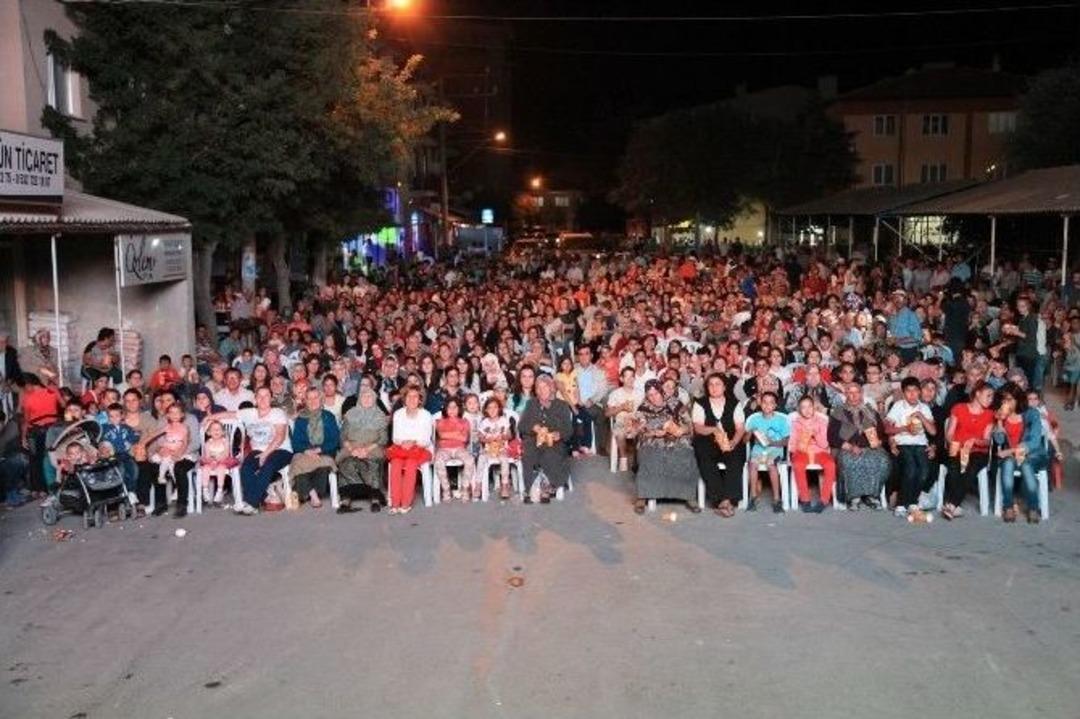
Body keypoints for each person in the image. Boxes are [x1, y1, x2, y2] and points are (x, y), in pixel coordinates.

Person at [208, 386, 292, 515]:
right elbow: (229, 414)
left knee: (268, 465)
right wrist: (208, 418)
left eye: (266, 396)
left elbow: (280, 437)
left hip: (280, 449)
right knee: (246, 467)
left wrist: (266, 454)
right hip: (258, 450)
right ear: (255, 399)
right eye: (260, 396)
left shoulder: (277, 413)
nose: (263, 399)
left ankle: (251, 502)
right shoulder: (249, 413)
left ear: (271, 398)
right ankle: (260, 497)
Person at [632, 379, 700, 514]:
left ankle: (688, 496)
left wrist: (682, 430)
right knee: (649, 454)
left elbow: (689, 424)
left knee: (685, 453)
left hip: (677, 437)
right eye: (650, 395)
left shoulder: (675, 403)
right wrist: (655, 432)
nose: (653, 398)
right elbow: (640, 430)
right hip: (652, 439)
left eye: (656, 393)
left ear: (661, 391)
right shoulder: (643, 408)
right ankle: (643, 496)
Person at [692, 373, 746, 518]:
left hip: (729, 439)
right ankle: (721, 500)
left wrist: (733, 441)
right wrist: (714, 430)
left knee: (736, 456)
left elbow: (740, 428)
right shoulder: (700, 403)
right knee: (704, 457)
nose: (714, 387)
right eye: (711, 384)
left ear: (724, 387)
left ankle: (728, 499)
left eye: (718, 384)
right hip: (708, 441)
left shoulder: (734, 403)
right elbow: (698, 427)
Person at [991, 384, 1047, 523]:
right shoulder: (1003, 415)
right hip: (1013, 457)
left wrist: (1010, 451)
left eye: (1009, 399)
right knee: (1008, 464)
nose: (1006, 403)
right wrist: (999, 421)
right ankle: (1008, 506)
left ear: (1018, 399)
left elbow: (1034, 441)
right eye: (1003, 400)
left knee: (1026, 465)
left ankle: (1034, 507)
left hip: (1033, 454)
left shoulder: (1031, 413)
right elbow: (999, 440)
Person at [828, 383, 890, 510]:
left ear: (861, 394)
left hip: (870, 447)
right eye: (850, 392)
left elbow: (882, 433)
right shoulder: (838, 412)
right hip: (847, 447)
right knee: (850, 460)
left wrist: (879, 442)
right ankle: (854, 497)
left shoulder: (871, 412)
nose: (854, 395)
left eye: (857, 392)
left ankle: (872, 496)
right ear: (846, 395)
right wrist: (850, 447)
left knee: (882, 460)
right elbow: (832, 436)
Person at [940, 381, 994, 520]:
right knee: (954, 466)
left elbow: (987, 441)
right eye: (988, 396)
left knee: (971, 466)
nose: (990, 399)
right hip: (957, 448)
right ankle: (956, 507)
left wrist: (976, 441)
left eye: (992, 397)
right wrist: (954, 443)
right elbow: (949, 433)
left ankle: (951, 504)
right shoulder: (959, 408)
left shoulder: (989, 414)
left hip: (977, 451)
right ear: (977, 394)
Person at [884, 377, 937, 518]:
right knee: (911, 468)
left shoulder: (924, 408)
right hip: (903, 443)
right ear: (903, 393)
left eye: (915, 391)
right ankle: (901, 504)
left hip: (920, 444)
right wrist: (904, 428)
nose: (912, 394)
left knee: (924, 471)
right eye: (908, 391)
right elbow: (887, 429)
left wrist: (921, 415)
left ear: (919, 392)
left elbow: (932, 431)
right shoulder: (898, 406)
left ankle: (912, 501)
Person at [519, 374, 574, 503]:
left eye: (545, 387)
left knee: (550, 452)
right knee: (529, 453)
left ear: (551, 388)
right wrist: (535, 428)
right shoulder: (531, 404)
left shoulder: (562, 405)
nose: (542, 390)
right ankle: (530, 488)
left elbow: (569, 430)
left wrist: (558, 434)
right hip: (534, 440)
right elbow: (521, 425)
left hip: (554, 442)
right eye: (539, 387)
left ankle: (549, 486)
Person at [336, 387, 389, 513]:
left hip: (373, 447)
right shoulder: (350, 414)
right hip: (352, 447)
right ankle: (345, 500)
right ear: (359, 398)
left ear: (374, 399)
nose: (366, 399)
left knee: (372, 463)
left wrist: (366, 450)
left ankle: (375, 498)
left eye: (370, 396)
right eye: (364, 396)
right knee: (346, 463)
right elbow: (342, 436)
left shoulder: (380, 416)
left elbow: (383, 439)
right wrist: (351, 448)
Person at [288, 387, 340, 508]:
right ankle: (313, 494)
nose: (313, 401)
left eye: (315, 397)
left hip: (324, 451)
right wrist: (307, 451)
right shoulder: (300, 419)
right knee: (298, 461)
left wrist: (319, 449)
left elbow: (335, 440)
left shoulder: (329, 417)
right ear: (305, 401)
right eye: (309, 398)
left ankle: (308, 492)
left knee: (322, 465)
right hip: (305, 452)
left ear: (321, 399)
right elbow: (296, 443)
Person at [387, 386, 434, 514]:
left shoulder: (426, 415)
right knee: (395, 463)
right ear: (404, 399)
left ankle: (406, 503)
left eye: (415, 397)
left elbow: (426, 439)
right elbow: (395, 437)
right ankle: (395, 503)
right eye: (409, 396)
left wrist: (413, 442)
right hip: (401, 447)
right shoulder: (398, 414)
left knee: (411, 464)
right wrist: (404, 442)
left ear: (420, 400)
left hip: (421, 448)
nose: (412, 399)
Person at [743, 391, 790, 513]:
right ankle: (753, 496)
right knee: (752, 464)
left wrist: (772, 443)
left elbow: (786, 441)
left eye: (771, 403)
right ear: (760, 403)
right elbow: (745, 441)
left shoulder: (781, 419)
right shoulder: (754, 419)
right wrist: (750, 432)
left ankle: (776, 499)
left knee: (771, 465)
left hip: (775, 450)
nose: (767, 405)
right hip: (758, 450)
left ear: (775, 406)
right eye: (764, 402)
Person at [17, 373, 61, 498]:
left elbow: (26, 421)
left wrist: (23, 437)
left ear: (28, 384)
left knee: (35, 460)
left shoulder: (28, 398)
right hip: (53, 430)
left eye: (24, 387)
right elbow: (63, 405)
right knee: (51, 458)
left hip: (36, 432)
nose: (24, 390)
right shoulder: (51, 391)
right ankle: (50, 486)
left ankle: (38, 489)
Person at [788, 395, 833, 512]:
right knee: (797, 465)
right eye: (803, 407)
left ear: (814, 407)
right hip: (802, 451)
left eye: (809, 406)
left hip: (819, 451)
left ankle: (824, 500)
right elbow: (792, 442)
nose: (807, 410)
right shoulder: (796, 422)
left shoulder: (822, 421)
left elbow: (824, 444)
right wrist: (794, 451)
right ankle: (805, 499)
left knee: (830, 465)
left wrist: (814, 434)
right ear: (799, 409)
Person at [433, 397, 477, 502]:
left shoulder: (464, 422)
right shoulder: (440, 421)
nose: (452, 410)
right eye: (449, 407)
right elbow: (441, 435)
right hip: (444, 449)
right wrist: (457, 434)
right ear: (445, 409)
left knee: (470, 460)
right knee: (438, 461)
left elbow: (464, 438)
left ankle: (465, 488)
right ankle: (446, 488)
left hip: (460, 448)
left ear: (459, 409)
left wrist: (449, 435)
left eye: (455, 407)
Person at [477, 396, 515, 501]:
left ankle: (505, 485)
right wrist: (486, 439)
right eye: (489, 408)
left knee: (504, 460)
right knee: (481, 459)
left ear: (499, 409)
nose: (492, 410)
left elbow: (510, 435)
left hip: (501, 448)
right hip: (488, 448)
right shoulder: (484, 422)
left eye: (495, 407)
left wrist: (502, 436)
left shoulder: (503, 420)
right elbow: (480, 436)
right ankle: (478, 483)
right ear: (486, 410)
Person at [606, 366, 643, 472]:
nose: (630, 379)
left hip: (637, 420)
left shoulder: (640, 393)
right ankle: (623, 458)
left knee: (642, 432)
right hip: (621, 421)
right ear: (621, 379)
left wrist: (637, 420)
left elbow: (645, 411)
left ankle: (639, 461)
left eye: (632, 376)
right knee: (620, 433)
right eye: (627, 377)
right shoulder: (615, 394)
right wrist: (621, 407)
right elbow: (608, 413)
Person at [198, 419, 239, 506]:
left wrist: (218, 460)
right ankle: (205, 489)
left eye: (218, 429)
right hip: (211, 461)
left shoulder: (225, 441)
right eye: (213, 429)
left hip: (223, 461)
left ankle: (220, 490)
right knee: (205, 468)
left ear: (223, 432)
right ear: (209, 432)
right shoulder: (208, 443)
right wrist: (212, 461)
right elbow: (207, 455)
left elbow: (226, 453)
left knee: (221, 469)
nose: (216, 431)